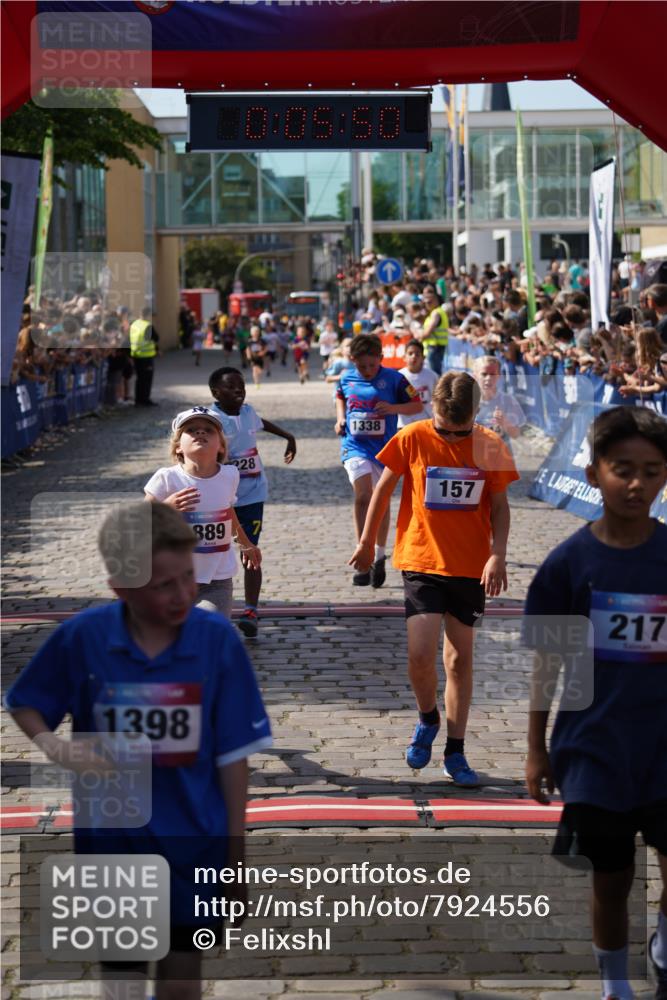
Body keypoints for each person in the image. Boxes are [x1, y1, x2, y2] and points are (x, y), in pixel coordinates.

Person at [5, 500, 273, 1000]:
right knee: (123, 981)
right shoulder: (82, 638)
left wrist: (235, 860)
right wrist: (56, 748)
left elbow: (234, 760)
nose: (182, 594)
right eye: (162, 585)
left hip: (195, 844)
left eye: (188, 578)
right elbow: (26, 702)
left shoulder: (217, 640)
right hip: (112, 847)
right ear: (120, 589)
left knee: (180, 976)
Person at [524, 406, 667, 1000]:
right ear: (592, 471)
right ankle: (615, 985)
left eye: (653, 471)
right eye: (623, 469)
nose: (638, 484)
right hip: (594, 750)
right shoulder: (568, 566)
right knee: (612, 879)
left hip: (665, 746)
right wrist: (536, 749)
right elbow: (547, 667)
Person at [349, 371, 518, 785]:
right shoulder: (414, 437)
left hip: (470, 566)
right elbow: (383, 490)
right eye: (446, 429)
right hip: (421, 559)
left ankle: (456, 752)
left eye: (461, 432)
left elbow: (499, 506)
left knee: (459, 661)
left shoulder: (490, 444)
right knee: (420, 655)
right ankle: (428, 717)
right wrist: (369, 541)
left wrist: (498, 555)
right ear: (434, 410)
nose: (453, 438)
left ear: (476, 413)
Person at [144, 406, 261, 620]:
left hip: (216, 579)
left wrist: (244, 542)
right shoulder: (167, 478)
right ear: (178, 447)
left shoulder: (230, 475)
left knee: (210, 629)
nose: (200, 432)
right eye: (192, 430)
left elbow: (227, 510)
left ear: (221, 446)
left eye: (209, 429)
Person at [208, 366, 297, 638]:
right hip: (222, 498)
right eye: (231, 387)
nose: (239, 390)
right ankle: (208, 605)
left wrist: (288, 436)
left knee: (251, 551)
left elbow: (261, 423)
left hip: (253, 495)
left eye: (242, 386)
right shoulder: (211, 419)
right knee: (216, 552)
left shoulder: (248, 412)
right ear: (215, 392)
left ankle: (250, 610)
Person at [336, 333, 422, 588]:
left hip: (384, 449)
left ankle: (379, 553)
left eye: (372, 366)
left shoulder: (395, 379)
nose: (367, 371)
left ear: (381, 360)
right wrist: (340, 418)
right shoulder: (346, 378)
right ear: (353, 361)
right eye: (361, 366)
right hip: (355, 446)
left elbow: (416, 405)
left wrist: (394, 409)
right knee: (363, 496)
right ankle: (362, 554)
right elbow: (340, 396)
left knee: (380, 500)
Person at [472, 355, 527, 442]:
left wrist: (504, 422)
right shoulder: (467, 401)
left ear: (499, 376)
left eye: (492, 374)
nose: (488, 378)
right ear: (475, 376)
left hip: (500, 452)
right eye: (484, 374)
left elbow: (516, 434)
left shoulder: (508, 401)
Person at [398, 339, 438, 428]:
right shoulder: (398, 377)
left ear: (423, 358)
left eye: (417, 354)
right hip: (404, 425)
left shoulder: (432, 376)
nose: (414, 356)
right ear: (404, 357)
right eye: (410, 353)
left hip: (426, 423)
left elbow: (437, 400)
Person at [129, 306, 159, 407]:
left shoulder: (134, 324)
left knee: (139, 378)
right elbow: (156, 338)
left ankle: (138, 400)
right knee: (147, 379)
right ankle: (145, 399)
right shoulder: (148, 326)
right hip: (146, 356)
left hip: (135, 355)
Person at [419, 284, 449, 375]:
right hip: (436, 348)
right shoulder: (437, 312)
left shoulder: (436, 313)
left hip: (434, 348)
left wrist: (419, 337)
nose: (427, 304)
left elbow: (428, 332)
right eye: (426, 302)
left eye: (429, 302)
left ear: (436, 301)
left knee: (434, 375)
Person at [246, 324, 267, 389]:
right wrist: (248, 356)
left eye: (256, 332)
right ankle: (256, 383)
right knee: (254, 369)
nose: (255, 333)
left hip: (260, 358)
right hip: (253, 358)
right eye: (254, 332)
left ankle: (258, 378)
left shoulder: (261, 340)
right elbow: (248, 349)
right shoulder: (250, 341)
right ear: (251, 333)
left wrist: (263, 353)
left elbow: (266, 348)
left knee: (260, 371)